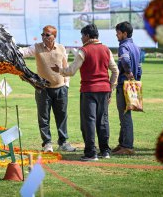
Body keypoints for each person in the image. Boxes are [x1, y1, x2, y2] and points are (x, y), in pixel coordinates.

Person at [51, 24, 119, 161]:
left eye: (82, 36)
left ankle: (91, 153)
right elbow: (115, 70)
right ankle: (105, 151)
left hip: (89, 91)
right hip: (104, 90)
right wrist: (111, 87)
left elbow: (71, 71)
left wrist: (59, 70)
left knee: (88, 121)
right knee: (103, 121)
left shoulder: (84, 50)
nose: (81, 38)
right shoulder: (106, 49)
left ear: (87, 36)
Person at [19, 25, 76, 152]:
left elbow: (66, 68)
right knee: (43, 117)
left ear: (54, 36)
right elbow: (23, 52)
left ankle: (63, 142)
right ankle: (47, 143)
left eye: (47, 35)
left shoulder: (61, 48)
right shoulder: (36, 47)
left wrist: (66, 85)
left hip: (60, 88)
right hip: (42, 89)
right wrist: (11, 49)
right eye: (42, 34)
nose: (44, 37)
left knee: (61, 116)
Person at [113, 21, 142, 155]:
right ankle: (122, 143)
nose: (116, 35)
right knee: (124, 115)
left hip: (124, 84)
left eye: (118, 33)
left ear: (124, 33)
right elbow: (140, 67)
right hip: (133, 84)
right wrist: (136, 78)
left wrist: (128, 72)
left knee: (125, 116)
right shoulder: (136, 46)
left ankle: (128, 146)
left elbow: (125, 61)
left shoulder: (123, 46)